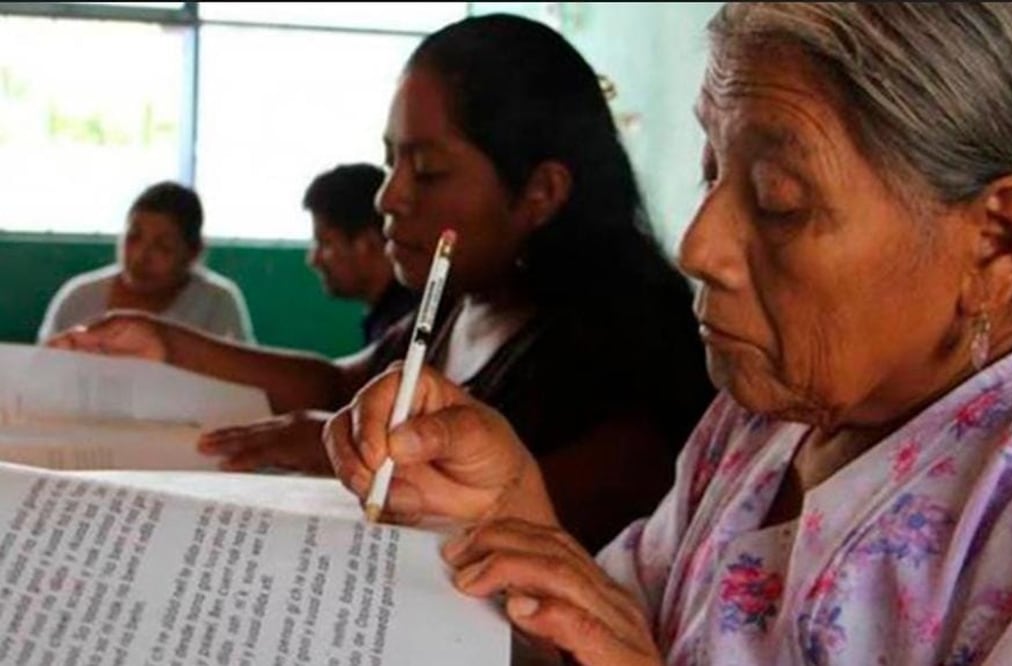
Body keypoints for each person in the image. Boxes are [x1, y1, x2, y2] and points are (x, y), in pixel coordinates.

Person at [326, 3, 1012, 663]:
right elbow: (625, 631)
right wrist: (511, 517)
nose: (696, 246)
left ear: (997, 241)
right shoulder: (757, 423)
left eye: (777, 203)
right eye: (709, 170)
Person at [48, 14, 714, 553]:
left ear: (539, 191)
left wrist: (353, 465)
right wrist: (169, 345)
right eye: (390, 159)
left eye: (425, 171)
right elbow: (343, 386)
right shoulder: (471, 298)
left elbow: (528, 530)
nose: (389, 198)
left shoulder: (626, 349)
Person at [37, 181, 253, 343]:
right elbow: (41, 375)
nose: (141, 256)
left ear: (193, 253)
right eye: (133, 237)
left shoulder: (217, 303)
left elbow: (241, 384)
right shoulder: (79, 297)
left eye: (163, 247)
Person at [304, 163, 418, 345]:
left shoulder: (411, 326)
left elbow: (339, 375)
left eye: (325, 243)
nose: (313, 260)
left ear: (367, 242)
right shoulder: (387, 318)